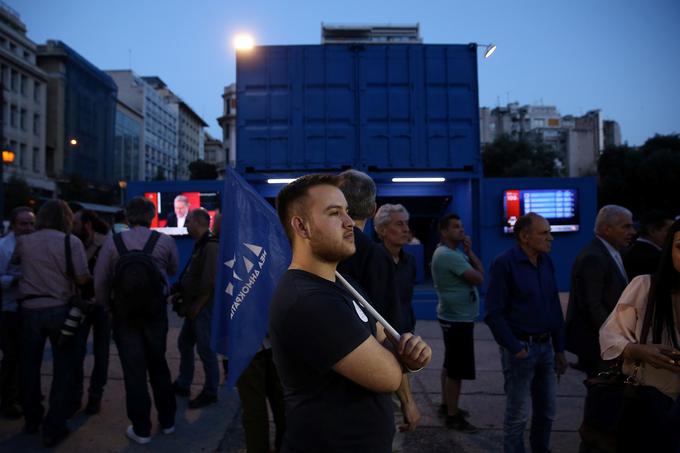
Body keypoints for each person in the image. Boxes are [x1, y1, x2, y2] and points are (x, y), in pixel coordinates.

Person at [270, 173, 432, 452]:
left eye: (346, 211)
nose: (348, 222)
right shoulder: (309, 300)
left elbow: (388, 339)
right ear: (302, 226)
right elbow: (388, 375)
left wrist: (404, 356)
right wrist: (405, 359)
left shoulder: (342, 282)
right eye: (335, 213)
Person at [336, 170, 422, 441]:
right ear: (373, 210)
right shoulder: (375, 257)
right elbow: (393, 336)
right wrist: (407, 400)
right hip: (370, 377)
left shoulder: (320, 251)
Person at [94, 197, 178, 445]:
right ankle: (169, 421)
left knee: (134, 371)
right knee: (158, 366)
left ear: (127, 218)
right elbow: (172, 270)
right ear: (152, 216)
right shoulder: (165, 241)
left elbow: (100, 281)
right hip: (155, 315)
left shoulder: (113, 243)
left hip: (124, 316)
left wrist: (106, 307)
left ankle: (141, 429)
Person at [485, 213, 567, 453]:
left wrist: (560, 348)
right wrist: (515, 348)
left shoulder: (546, 262)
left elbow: (553, 307)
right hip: (521, 349)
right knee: (518, 415)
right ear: (524, 236)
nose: (550, 238)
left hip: (547, 350)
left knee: (547, 411)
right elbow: (493, 312)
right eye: (544, 233)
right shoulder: (505, 263)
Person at [14, 200, 91, 447]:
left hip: (29, 309)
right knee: (63, 370)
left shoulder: (24, 241)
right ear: (66, 218)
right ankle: (53, 426)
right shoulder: (71, 242)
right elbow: (81, 277)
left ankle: (31, 419)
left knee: (28, 367)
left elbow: (15, 265)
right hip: (60, 309)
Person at [599, 219, 680, 452]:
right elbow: (610, 334)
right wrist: (638, 350)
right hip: (651, 397)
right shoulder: (645, 287)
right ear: (669, 250)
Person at [566, 205, 635, 377]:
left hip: (608, 342)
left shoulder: (613, 252)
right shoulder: (594, 257)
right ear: (607, 229)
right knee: (603, 396)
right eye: (625, 226)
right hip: (600, 345)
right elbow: (592, 305)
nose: (632, 232)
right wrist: (615, 337)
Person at [373, 203, 420, 449]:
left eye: (406, 224)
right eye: (398, 224)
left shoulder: (410, 261)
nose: (406, 229)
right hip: (381, 344)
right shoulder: (372, 262)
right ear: (381, 230)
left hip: (406, 338)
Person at [431, 213, 484, 432]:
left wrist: (469, 251)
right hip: (457, 319)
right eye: (455, 227)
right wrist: (470, 253)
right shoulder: (448, 255)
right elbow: (480, 277)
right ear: (444, 232)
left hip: (454, 316)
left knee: (450, 363)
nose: (461, 230)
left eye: (461, 226)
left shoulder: (452, 252)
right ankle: (453, 416)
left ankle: (446, 405)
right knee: (456, 369)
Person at [171, 208, 220, 408]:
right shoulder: (201, 245)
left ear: (199, 223)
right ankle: (184, 383)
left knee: (205, 349)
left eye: (189, 220)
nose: (186, 224)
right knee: (184, 343)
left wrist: (197, 306)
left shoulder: (210, 246)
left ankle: (210, 391)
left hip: (202, 307)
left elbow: (210, 282)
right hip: (194, 306)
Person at [71, 209, 111, 415]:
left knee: (101, 354)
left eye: (75, 224)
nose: (72, 228)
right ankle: (75, 397)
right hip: (80, 306)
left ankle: (95, 397)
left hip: (102, 307)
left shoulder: (107, 244)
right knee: (76, 354)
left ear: (87, 225)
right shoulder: (72, 243)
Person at [0, 207, 35, 419]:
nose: (29, 228)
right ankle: (7, 400)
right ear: (14, 225)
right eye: (24, 223)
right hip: (9, 308)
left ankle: (24, 395)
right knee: (12, 356)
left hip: (30, 308)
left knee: (27, 356)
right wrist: (16, 280)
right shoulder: (4, 247)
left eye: (31, 223)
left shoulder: (35, 244)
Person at [623, 210, 673, 281]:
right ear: (652, 231)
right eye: (670, 230)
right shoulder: (652, 258)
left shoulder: (634, 249)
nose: (674, 234)